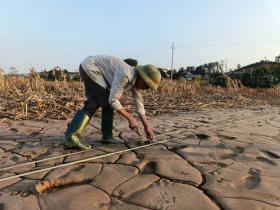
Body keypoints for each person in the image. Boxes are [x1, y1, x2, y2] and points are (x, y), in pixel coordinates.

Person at [64, 55, 161, 150]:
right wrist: (130, 118)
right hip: (91, 67)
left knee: (92, 103)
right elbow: (113, 100)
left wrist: (146, 127)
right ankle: (106, 137)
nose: (147, 89)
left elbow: (139, 107)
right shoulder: (126, 74)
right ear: (142, 77)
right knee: (107, 102)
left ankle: (72, 136)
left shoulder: (136, 82)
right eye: (147, 85)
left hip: (86, 67)